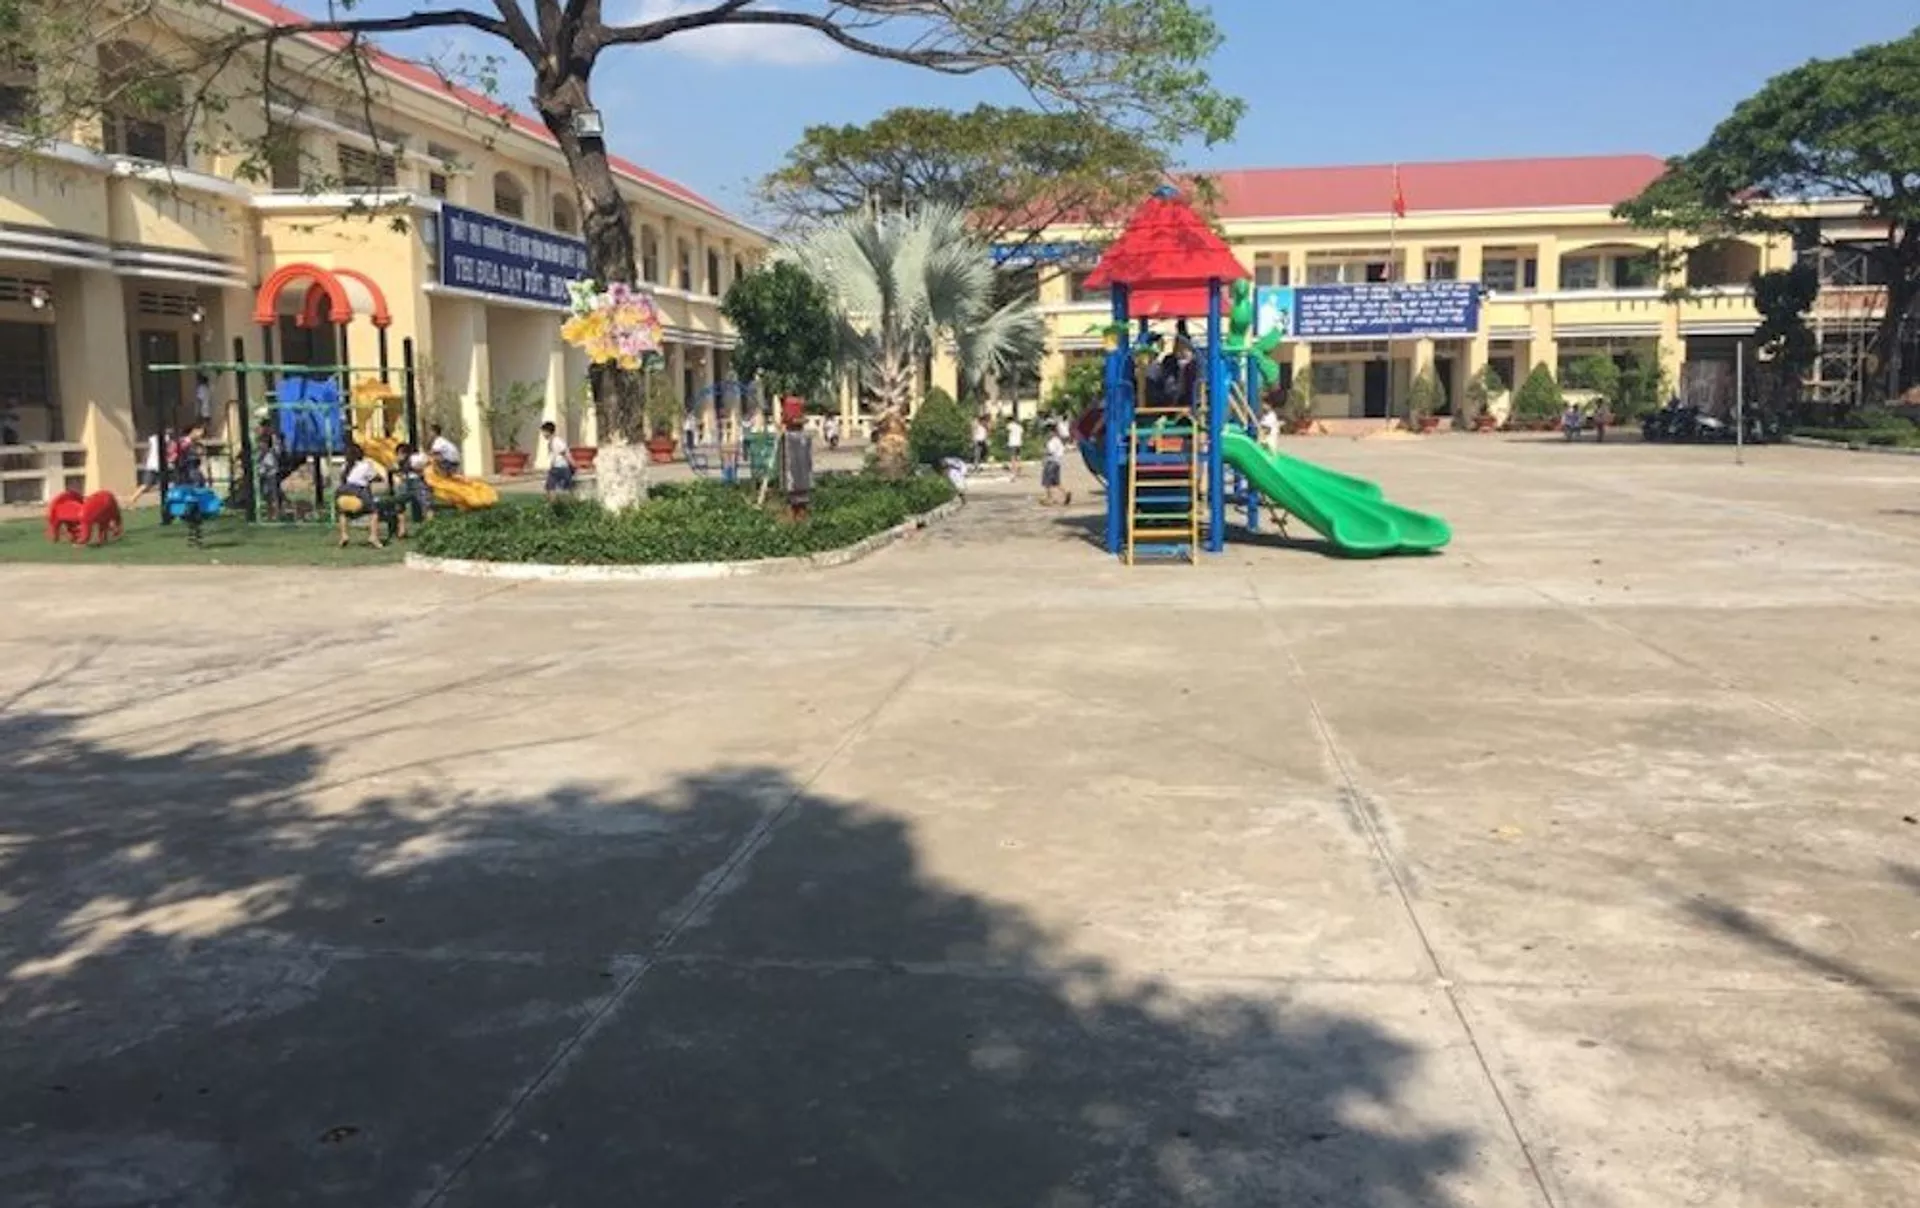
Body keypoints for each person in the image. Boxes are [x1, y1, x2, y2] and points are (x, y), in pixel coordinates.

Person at [336, 442, 385, 548]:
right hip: (358, 490)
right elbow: (375, 477)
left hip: (342, 491)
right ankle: (373, 537)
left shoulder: (344, 466)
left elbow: (343, 479)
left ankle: (344, 535)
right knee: (374, 512)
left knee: (343, 513)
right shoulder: (365, 465)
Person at [779, 401, 813, 522]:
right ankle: (800, 522)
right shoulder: (805, 437)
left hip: (793, 479)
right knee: (801, 503)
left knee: (793, 504)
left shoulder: (787, 437)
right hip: (803, 479)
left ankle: (793, 522)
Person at [395, 441, 433, 527]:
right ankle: (402, 528)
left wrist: (418, 470)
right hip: (405, 482)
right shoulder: (399, 462)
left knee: (426, 504)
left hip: (416, 481)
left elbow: (427, 461)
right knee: (399, 504)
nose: (398, 456)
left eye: (400, 453)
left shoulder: (415, 459)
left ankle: (430, 525)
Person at [255, 417, 285, 520]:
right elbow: (258, 452)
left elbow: (278, 452)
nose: (265, 429)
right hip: (262, 468)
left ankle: (276, 513)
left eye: (267, 427)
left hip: (271, 468)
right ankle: (269, 512)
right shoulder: (260, 438)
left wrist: (270, 448)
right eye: (263, 427)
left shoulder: (274, 438)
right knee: (265, 492)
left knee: (273, 492)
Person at [128, 430, 165, 505]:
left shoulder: (153, 438)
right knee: (146, 485)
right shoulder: (163, 438)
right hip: (156, 465)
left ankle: (132, 499)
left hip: (152, 464)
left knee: (146, 485)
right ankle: (132, 499)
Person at [540, 420, 576, 500]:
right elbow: (553, 456)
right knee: (550, 487)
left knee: (566, 488)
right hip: (555, 468)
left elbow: (566, 454)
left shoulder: (557, 441)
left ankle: (572, 502)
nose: (543, 434)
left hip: (562, 468)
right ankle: (553, 504)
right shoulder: (551, 442)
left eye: (544, 432)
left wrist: (573, 464)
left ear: (548, 431)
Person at [1040, 426, 1071, 507]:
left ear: (1052, 432)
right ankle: (1066, 492)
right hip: (1057, 462)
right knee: (1056, 482)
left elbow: (1051, 451)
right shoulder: (1059, 441)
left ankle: (1050, 499)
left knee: (1047, 482)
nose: (1047, 434)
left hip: (1051, 462)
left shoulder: (1052, 441)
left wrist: (1044, 451)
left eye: (1048, 432)